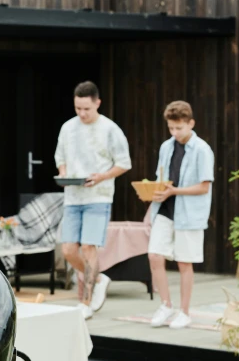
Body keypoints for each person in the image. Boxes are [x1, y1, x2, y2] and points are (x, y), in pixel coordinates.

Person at [55, 81, 132, 320]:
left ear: (97, 103)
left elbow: (124, 164)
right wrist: (64, 171)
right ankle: (99, 278)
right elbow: (60, 157)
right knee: (68, 250)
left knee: (89, 247)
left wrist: (102, 176)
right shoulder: (68, 128)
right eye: (78, 108)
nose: (82, 113)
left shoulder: (110, 129)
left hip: (98, 196)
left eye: (86, 108)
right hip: (72, 196)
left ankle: (86, 302)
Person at [145, 101, 213, 329]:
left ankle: (184, 311)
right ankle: (166, 305)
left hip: (189, 213)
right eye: (171, 128)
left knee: (185, 262)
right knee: (155, 255)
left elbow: (204, 186)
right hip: (163, 209)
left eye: (179, 128)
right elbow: (160, 179)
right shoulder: (166, 146)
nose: (174, 133)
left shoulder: (202, 149)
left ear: (190, 123)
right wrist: (150, 203)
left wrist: (174, 191)